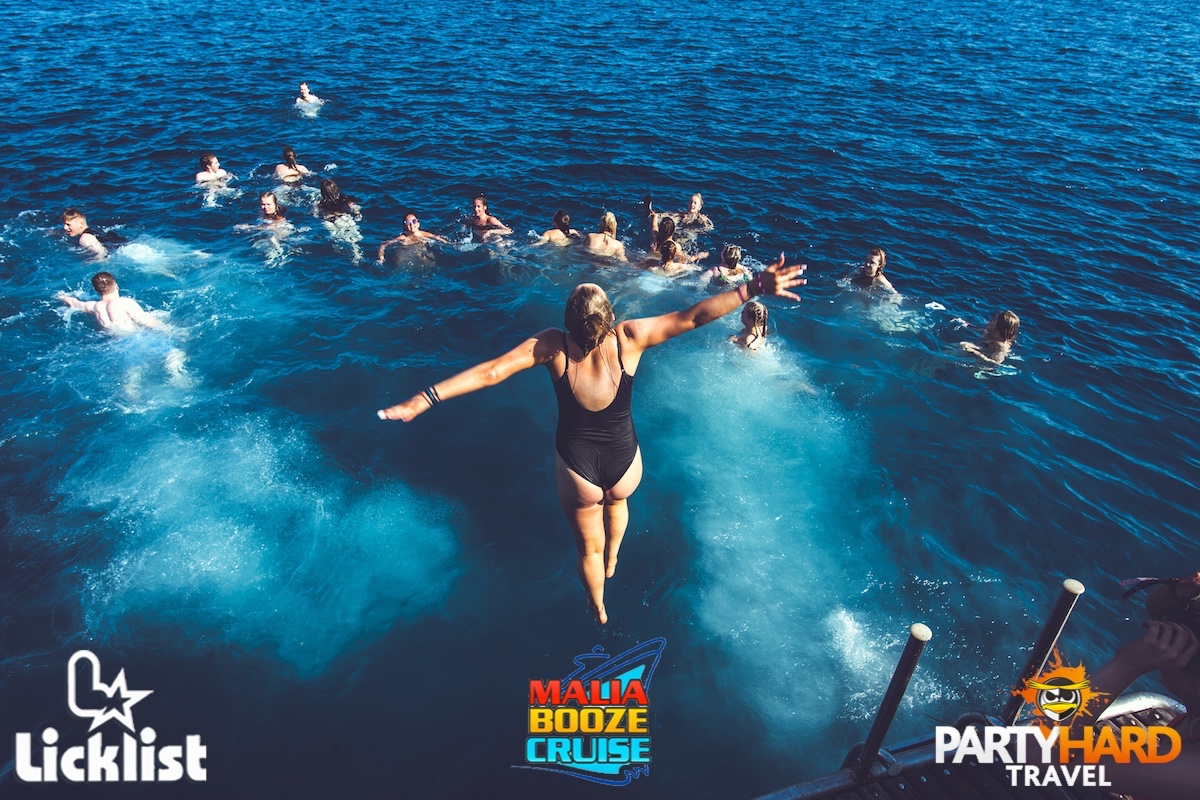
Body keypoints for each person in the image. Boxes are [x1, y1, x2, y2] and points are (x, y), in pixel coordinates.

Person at [376, 255, 808, 624]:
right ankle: (615, 557)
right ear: (609, 317)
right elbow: (694, 317)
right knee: (618, 504)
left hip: (577, 469)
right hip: (625, 465)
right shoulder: (629, 338)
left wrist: (424, 398)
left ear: (568, 321)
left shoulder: (553, 346)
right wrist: (753, 286)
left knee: (587, 549)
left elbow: (492, 372)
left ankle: (597, 604)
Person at [1066, 573, 1200, 798]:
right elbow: (1158, 605)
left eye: (1168, 643)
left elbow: (1037, 755)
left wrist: (1126, 664)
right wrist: (1185, 588)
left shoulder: (1189, 770)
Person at [57, 272, 169, 333]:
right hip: (135, 339)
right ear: (116, 286)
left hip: (115, 343)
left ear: (96, 290)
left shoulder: (93, 306)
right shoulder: (125, 303)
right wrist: (169, 330)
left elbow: (73, 303)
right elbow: (147, 321)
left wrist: (60, 296)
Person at [377, 212, 450, 262]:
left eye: (414, 221)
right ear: (404, 226)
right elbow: (383, 245)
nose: (412, 224)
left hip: (421, 253)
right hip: (407, 253)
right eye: (408, 223)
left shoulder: (424, 234)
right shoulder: (403, 237)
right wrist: (381, 257)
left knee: (431, 258)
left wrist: (448, 244)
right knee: (399, 260)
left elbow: (437, 238)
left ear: (418, 223)